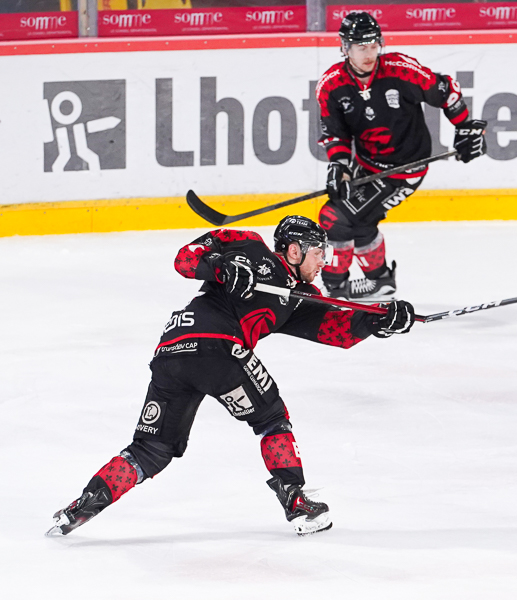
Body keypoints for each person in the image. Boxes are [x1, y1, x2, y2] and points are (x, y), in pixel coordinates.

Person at [48, 216, 415, 537]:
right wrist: (221, 266)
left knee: (150, 450)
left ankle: (82, 506)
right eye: (318, 252)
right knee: (272, 420)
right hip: (216, 347)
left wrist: (378, 320)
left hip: (172, 352)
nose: (325, 261)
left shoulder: (301, 296)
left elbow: (339, 331)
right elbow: (185, 258)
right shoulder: (250, 246)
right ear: (293, 250)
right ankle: (298, 503)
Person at [315, 11, 487, 301]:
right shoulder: (332, 85)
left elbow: (446, 89)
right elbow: (335, 134)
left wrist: (466, 127)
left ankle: (334, 290)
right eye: (361, 46)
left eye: (373, 45)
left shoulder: (400, 70)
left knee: (334, 217)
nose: (369, 53)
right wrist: (340, 166)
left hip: (405, 168)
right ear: (345, 47)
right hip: (366, 165)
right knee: (358, 221)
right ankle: (379, 282)